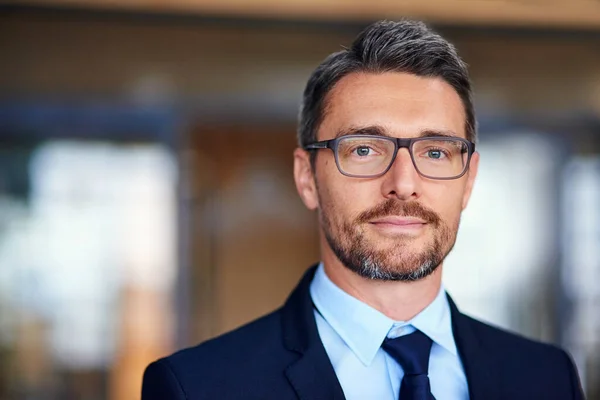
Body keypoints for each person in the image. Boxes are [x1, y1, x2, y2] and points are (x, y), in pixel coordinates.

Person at [141, 20, 584, 400]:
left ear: (468, 180)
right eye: (365, 149)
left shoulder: (547, 377)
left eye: (435, 152)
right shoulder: (199, 387)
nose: (403, 185)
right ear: (306, 177)